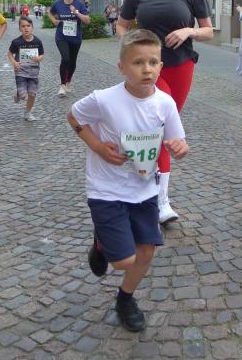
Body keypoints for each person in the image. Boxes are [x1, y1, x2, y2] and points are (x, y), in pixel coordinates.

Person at [67, 29, 189, 332]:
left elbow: (178, 141)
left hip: (144, 188)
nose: (147, 69)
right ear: (122, 67)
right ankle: (102, 242)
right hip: (106, 188)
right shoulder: (104, 99)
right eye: (138, 63)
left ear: (161, 66)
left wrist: (179, 148)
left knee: (146, 253)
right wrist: (98, 147)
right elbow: (74, 117)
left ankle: (125, 299)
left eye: (153, 62)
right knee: (123, 261)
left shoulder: (165, 103)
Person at [117, 0, 213, 225]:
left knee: (165, 128)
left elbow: (208, 31)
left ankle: (151, 190)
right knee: (159, 126)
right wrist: (131, 49)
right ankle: (160, 201)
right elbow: (121, 25)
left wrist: (188, 32)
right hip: (149, 70)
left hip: (180, 66)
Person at [49, 0, 90, 97]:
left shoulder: (79, 4)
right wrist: (54, 20)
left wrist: (76, 12)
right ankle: (62, 85)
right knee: (65, 58)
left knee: (72, 61)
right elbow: (50, 13)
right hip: (61, 36)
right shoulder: (58, 4)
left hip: (75, 37)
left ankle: (68, 82)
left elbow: (87, 20)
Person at [7, 15, 44, 121]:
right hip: (21, 71)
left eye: (28, 26)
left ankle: (27, 113)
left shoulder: (37, 41)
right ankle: (19, 94)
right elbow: (9, 53)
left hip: (34, 72)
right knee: (24, 96)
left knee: (32, 94)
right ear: (20, 28)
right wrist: (14, 62)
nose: (26, 28)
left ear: (32, 27)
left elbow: (42, 54)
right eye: (23, 26)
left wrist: (39, 58)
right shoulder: (16, 42)